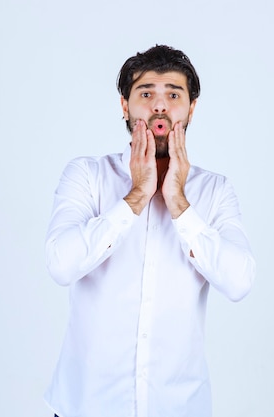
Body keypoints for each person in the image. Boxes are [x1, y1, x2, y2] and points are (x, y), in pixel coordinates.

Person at [44, 45, 256, 417]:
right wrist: (135, 197)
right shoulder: (87, 176)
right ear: (125, 106)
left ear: (191, 109)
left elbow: (239, 282)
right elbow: (61, 265)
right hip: (87, 405)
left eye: (173, 94)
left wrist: (178, 203)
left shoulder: (215, 191)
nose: (160, 107)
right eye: (146, 94)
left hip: (179, 407)